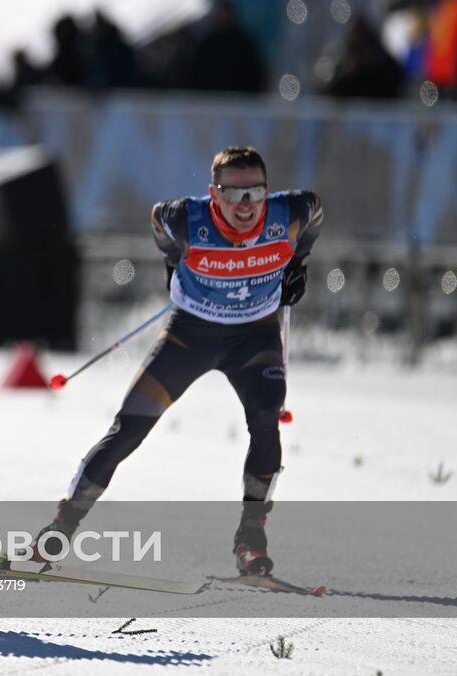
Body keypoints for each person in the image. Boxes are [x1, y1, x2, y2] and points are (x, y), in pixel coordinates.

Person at [37, 146, 322, 576]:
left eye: (255, 193)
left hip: (255, 336)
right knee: (128, 429)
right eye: (233, 193)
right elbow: (157, 221)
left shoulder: (289, 212)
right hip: (190, 334)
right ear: (213, 193)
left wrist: (299, 262)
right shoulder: (188, 219)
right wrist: (173, 264)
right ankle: (59, 530)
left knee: (266, 421)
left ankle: (250, 541)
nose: (245, 205)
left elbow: (316, 212)